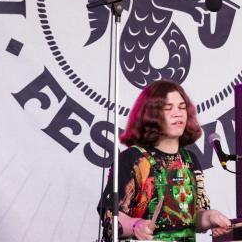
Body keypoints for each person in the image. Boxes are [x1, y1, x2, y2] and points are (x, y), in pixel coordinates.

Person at [98, 80, 232, 241]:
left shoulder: (190, 159)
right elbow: (111, 219)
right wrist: (136, 225)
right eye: (168, 108)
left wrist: (210, 217)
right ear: (151, 115)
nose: (178, 113)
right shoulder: (132, 159)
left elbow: (193, 218)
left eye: (182, 107)